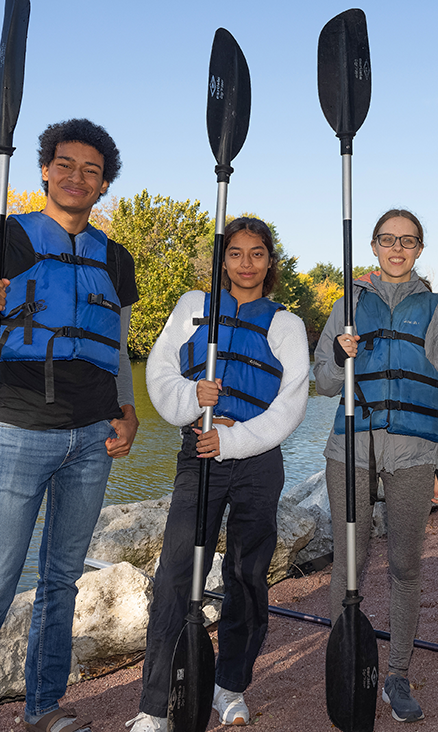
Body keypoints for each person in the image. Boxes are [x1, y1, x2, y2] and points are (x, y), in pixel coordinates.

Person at [0, 118, 138, 732]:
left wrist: (126, 412)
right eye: (67, 165)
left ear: (104, 186)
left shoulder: (116, 259)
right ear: (45, 170)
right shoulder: (0, 239)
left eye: (92, 170)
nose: (78, 177)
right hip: (18, 431)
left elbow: (118, 349)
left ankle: (42, 709)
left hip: (92, 438)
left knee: (61, 584)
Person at [129, 217, 310, 732]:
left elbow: (291, 404)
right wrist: (193, 399)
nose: (246, 263)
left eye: (257, 254)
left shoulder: (286, 324)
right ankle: (154, 704)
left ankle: (230, 687)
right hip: (198, 453)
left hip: (256, 459)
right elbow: (160, 371)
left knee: (247, 576)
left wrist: (231, 439)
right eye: (235, 253)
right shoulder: (193, 307)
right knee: (176, 575)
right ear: (222, 258)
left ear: (270, 262)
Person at [312, 208, 438, 722]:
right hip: (351, 449)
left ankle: (396, 672)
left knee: (405, 565)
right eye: (387, 239)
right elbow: (327, 383)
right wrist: (339, 352)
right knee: (349, 563)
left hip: (415, 452)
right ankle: (343, 662)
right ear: (374, 246)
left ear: (420, 249)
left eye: (408, 240)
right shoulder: (348, 305)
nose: (397, 248)